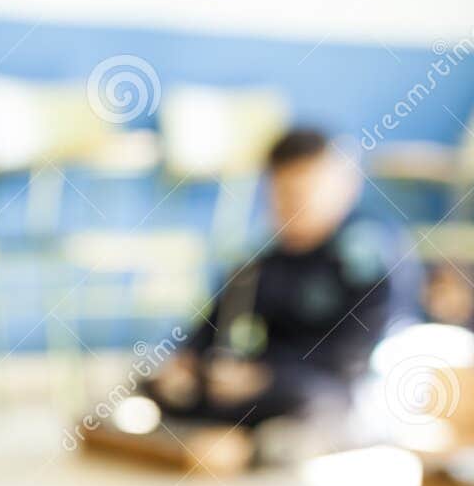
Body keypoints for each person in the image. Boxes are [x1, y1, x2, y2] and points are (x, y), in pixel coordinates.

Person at [146, 128, 416, 427]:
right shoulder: (265, 258)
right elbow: (215, 325)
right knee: (160, 386)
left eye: (303, 193)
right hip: (258, 382)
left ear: (344, 187)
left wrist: (267, 376)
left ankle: (249, 442)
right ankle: (230, 437)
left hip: (333, 387)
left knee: (306, 401)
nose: (291, 206)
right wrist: (186, 360)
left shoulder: (369, 253)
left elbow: (354, 356)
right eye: (281, 193)